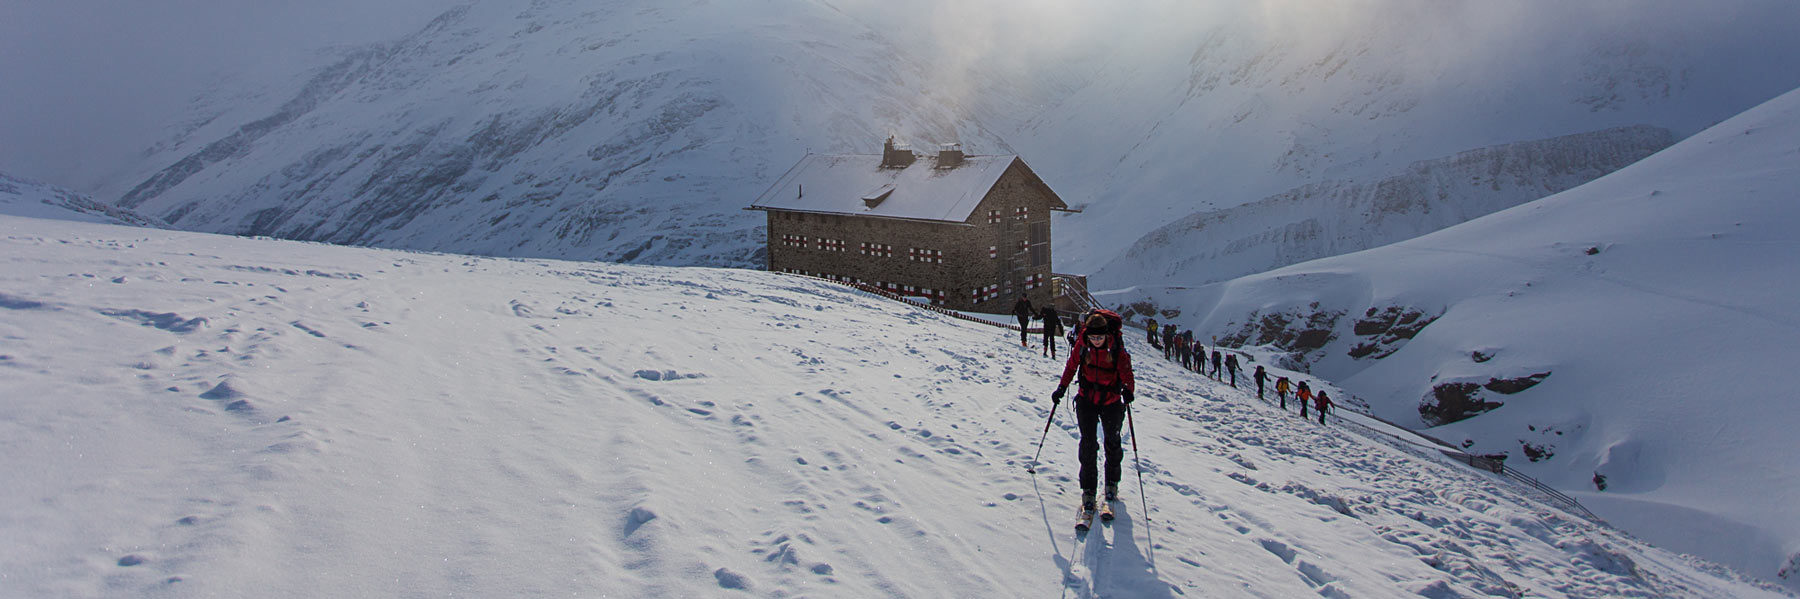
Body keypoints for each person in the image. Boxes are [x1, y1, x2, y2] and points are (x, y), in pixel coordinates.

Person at [1052, 311, 1136, 511]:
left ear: (1106, 335)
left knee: (1112, 443)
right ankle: (1088, 489)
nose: (1096, 341)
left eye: (1099, 337)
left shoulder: (1116, 349)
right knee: (1088, 445)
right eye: (1093, 337)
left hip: (1111, 401)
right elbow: (1071, 366)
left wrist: (1128, 390)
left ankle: (1111, 483)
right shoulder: (1083, 346)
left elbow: (1126, 372)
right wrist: (1061, 388)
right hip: (1087, 399)